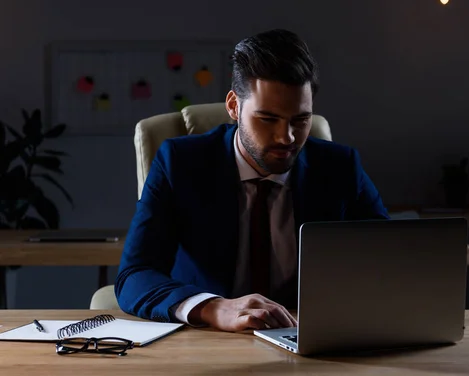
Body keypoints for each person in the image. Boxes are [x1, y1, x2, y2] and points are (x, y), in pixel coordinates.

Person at [115, 29, 389, 333]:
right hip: (209, 343)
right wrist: (213, 307)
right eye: (268, 119)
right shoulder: (180, 163)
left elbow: (387, 263)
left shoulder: (340, 168)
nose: (286, 137)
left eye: (300, 120)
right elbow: (135, 275)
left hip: (312, 340)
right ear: (234, 106)